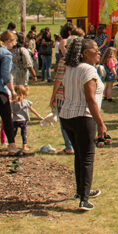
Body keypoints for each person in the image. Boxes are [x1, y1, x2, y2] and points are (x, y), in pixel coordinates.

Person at [59, 37, 106, 211]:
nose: (99, 51)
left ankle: (81, 191)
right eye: (95, 49)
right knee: (87, 158)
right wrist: (100, 123)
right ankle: (84, 200)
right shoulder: (88, 70)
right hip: (83, 117)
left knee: (79, 155)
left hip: (67, 116)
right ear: (85, 53)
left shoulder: (70, 68)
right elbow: (90, 99)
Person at [49, 23, 77, 155]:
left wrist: (53, 96)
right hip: (75, 95)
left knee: (64, 122)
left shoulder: (64, 61)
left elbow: (58, 79)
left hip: (63, 95)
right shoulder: (81, 62)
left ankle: (69, 146)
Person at [11, 85, 44, 152]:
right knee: (24, 133)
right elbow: (32, 110)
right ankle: (24, 146)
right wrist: (39, 116)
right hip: (23, 120)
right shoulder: (26, 102)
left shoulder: (13, 103)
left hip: (15, 120)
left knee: (13, 133)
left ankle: (12, 145)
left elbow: (10, 111)